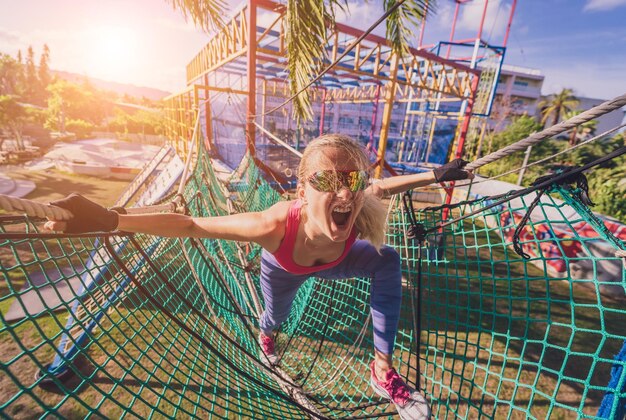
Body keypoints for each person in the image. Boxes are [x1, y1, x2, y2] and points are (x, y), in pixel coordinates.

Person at [45, 134, 472, 419]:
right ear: (303, 190)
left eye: (353, 179)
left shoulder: (358, 204)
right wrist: (111, 219)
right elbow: (191, 224)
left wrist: (435, 175)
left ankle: (382, 372)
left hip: (337, 262)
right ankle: (268, 336)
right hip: (284, 269)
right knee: (274, 316)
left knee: (387, 258)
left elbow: (380, 189)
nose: (345, 192)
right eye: (328, 179)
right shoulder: (271, 226)